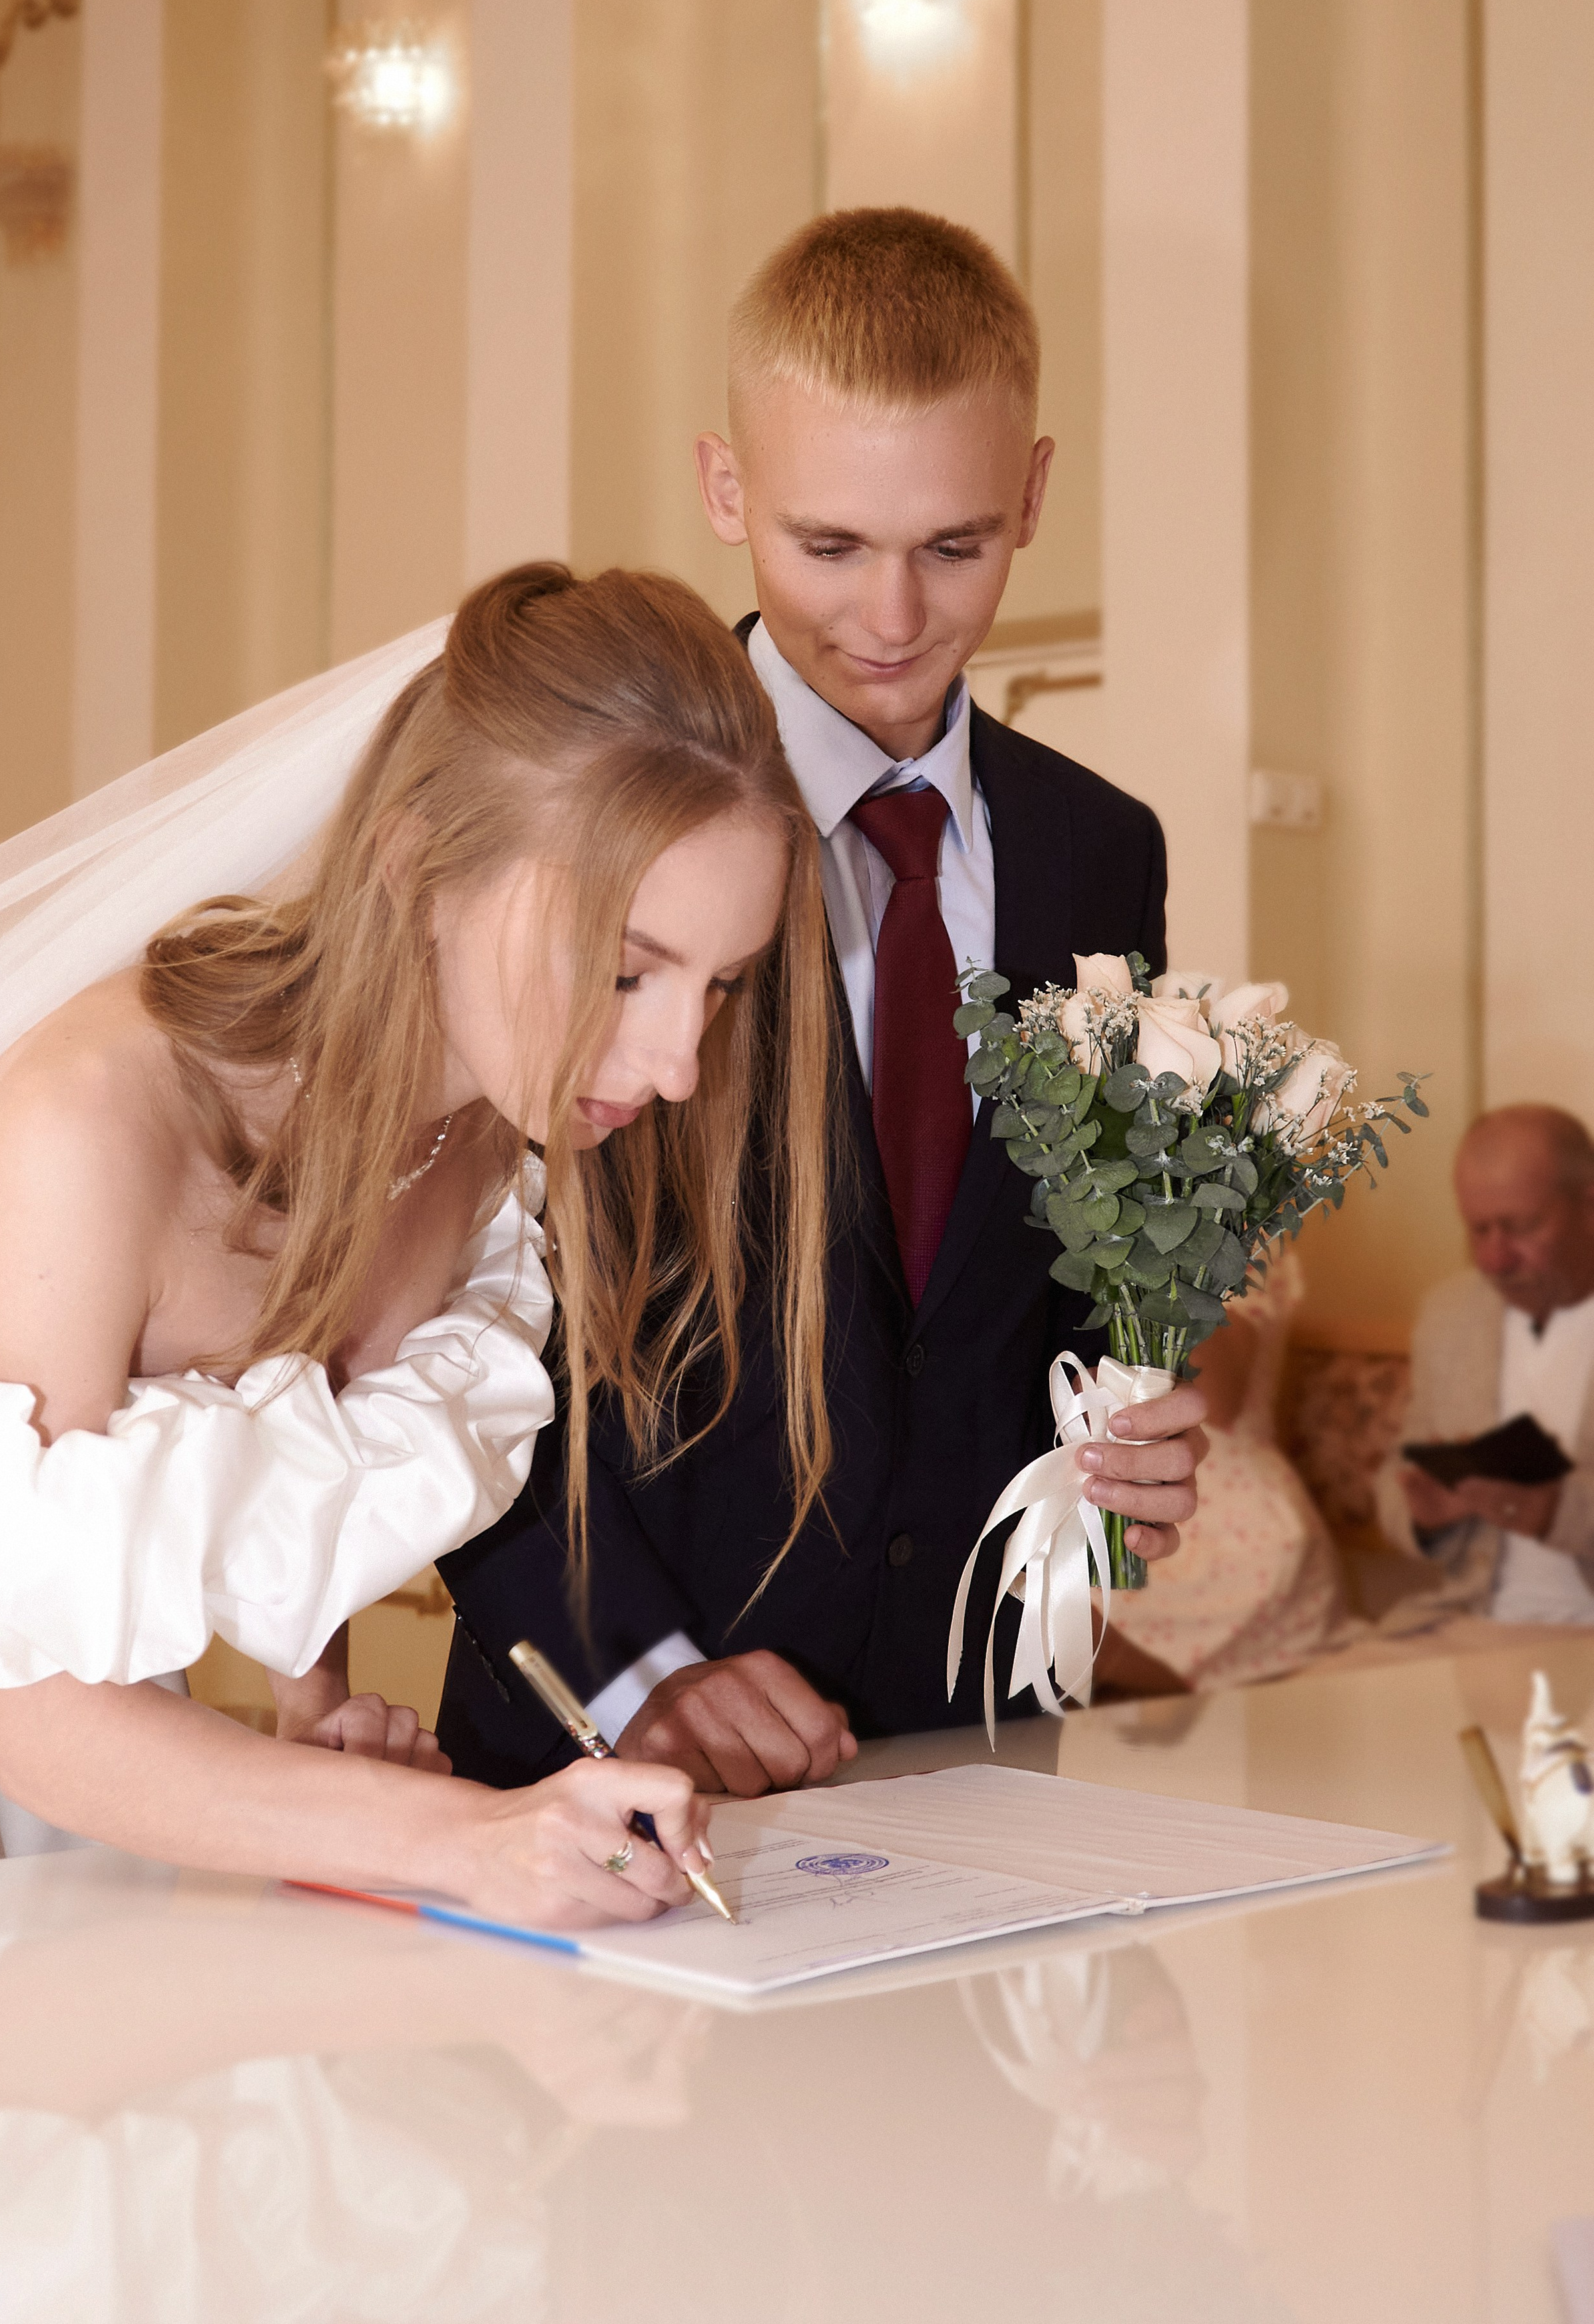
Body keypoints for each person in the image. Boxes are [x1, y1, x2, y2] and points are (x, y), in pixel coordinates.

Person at [0, 563, 836, 1919]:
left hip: (108, 1756)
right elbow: (42, 1714)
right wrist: (467, 1834)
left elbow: (280, 1435)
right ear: (415, 866)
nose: (680, 1063)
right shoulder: (89, 1116)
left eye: (720, 983)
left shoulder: (473, 1132)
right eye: (625, 970)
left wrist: (313, 1710)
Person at [435, 208, 1206, 1793]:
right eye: (829, 546)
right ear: (725, 489)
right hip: (603, 1762)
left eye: (955, 546)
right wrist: (637, 1672)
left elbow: (1055, 1294)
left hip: (979, 1748)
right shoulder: (580, 805)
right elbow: (433, 1316)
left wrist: (1130, 1434)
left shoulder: (1099, 851)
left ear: (1032, 495)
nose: (894, 618)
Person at [1374, 1104, 1594, 1620]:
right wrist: (1428, 1515)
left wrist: (1556, 1512)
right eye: (1479, 1231)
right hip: (1475, 1621)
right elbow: (1397, 1477)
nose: (1495, 1260)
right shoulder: (1451, 1314)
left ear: (1589, 1206)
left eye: (1521, 1227)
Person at [1101, 1252, 1347, 1691]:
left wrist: (1167, 1249)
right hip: (1101, 1481)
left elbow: (1221, 1401)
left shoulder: (1255, 1239)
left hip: (1227, 1520)